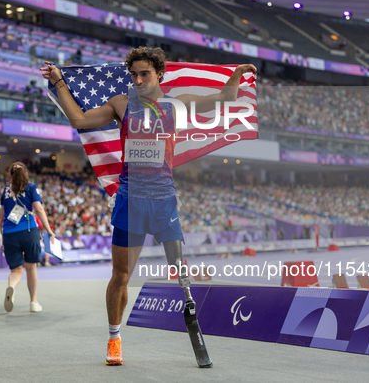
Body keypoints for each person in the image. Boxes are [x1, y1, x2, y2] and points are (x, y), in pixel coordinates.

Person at [40, 47, 256, 365]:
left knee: (181, 274)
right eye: (134, 74)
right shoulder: (121, 104)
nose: (138, 80)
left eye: (145, 74)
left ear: (159, 75)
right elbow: (79, 119)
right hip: (131, 200)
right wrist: (59, 81)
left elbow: (224, 100)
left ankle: (193, 319)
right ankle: (114, 339)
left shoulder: (175, 106)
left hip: (164, 200)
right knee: (121, 275)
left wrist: (235, 76)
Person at [0, 162, 55, 313]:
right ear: (25, 174)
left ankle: (11, 286)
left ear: (10, 175)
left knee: (16, 270)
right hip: (29, 231)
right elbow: (39, 209)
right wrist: (49, 230)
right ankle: (33, 302)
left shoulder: (4, 191)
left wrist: (2, 234)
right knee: (31, 268)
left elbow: (1, 215)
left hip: (9, 233)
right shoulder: (31, 187)